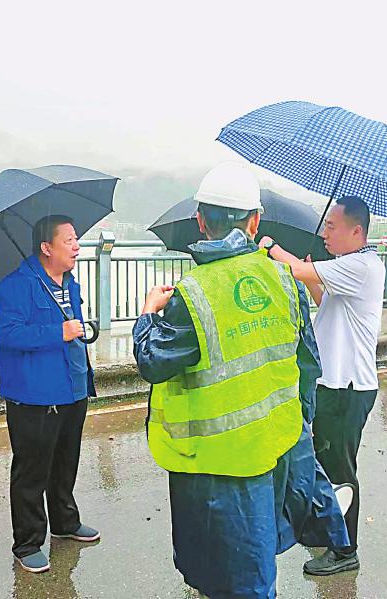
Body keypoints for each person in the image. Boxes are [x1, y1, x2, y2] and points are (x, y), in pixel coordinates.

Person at [133, 162, 348, 598]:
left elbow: (154, 361)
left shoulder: (192, 294)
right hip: (276, 447)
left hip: (212, 465)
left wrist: (147, 313)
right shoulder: (284, 280)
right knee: (255, 557)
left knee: (226, 572)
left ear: (199, 220)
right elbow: (307, 365)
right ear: (254, 221)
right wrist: (299, 435)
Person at [259, 195, 385, 575]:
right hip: (335, 384)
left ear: (356, 231)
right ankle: (329, 534)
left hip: (347, 386)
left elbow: (295, 271)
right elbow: (326, 299)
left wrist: (270, 247)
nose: (325, 232)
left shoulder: (362, 266)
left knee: (340, 469)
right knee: (327, 464)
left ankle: (345, 551)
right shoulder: (350, 267)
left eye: (332, 226)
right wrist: (314, 273)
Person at [0, 214, 100, 574]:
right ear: (46, 247)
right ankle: (27, 542)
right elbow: (9, 335)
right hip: (35, 395)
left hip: (73, 387)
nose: (76, 246)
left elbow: (72, 331)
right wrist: (59, 332)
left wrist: (79, 332)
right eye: (68, 240)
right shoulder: (15, 286)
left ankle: (66, 523)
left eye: (76, 239)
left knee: (65, 462)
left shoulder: (70, 284)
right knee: (32, 470)